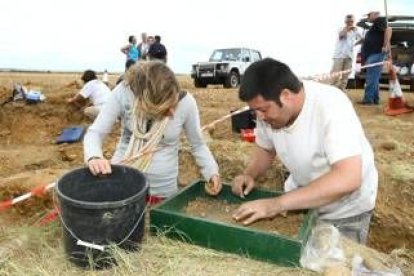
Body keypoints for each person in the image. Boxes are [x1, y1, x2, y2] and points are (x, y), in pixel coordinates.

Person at [231, 58, 378, 244]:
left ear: (285, 95)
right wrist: (249, 174)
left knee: (335, 267)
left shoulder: (331, 105)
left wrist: (276, 205)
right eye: (255, 111)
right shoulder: (267, 114)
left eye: (263, 110)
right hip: (301, 202)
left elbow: (348, 177)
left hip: (344, 211)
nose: (259, 117)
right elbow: (266, 149)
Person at [83, 61, 221, 200]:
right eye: (164, 109)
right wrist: (94, 156)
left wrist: (212, 172)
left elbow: (198, 144)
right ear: (143, 102)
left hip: (163, 191)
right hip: (124, 183)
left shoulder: (185, 102)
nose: (172, 114)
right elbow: (96, 132)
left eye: (173, 104)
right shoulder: (124, 93)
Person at [359, 11, 392, 105]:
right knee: (374, 78)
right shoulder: (375, 26)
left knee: (371, 77)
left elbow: (389, 29)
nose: (368, 17)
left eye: (369, 15)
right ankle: (374, 99)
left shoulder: (379, 20)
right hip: (372, 54)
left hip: (376, 54)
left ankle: (368, 100)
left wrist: (385, 45)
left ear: (375, 15)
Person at [331, 14, 363, 92]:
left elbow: (362, 39)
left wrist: (355, 44)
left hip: (349, 56)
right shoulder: (341, 29)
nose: (350, 23)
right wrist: (348, 28)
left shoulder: (355, 31)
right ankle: (332, 91)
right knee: (335, 75)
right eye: (348, 21)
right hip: (339, 56)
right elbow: (342, 35)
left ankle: (342, 91)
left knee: (345, 76)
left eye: (351, 21)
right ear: (345, 21)